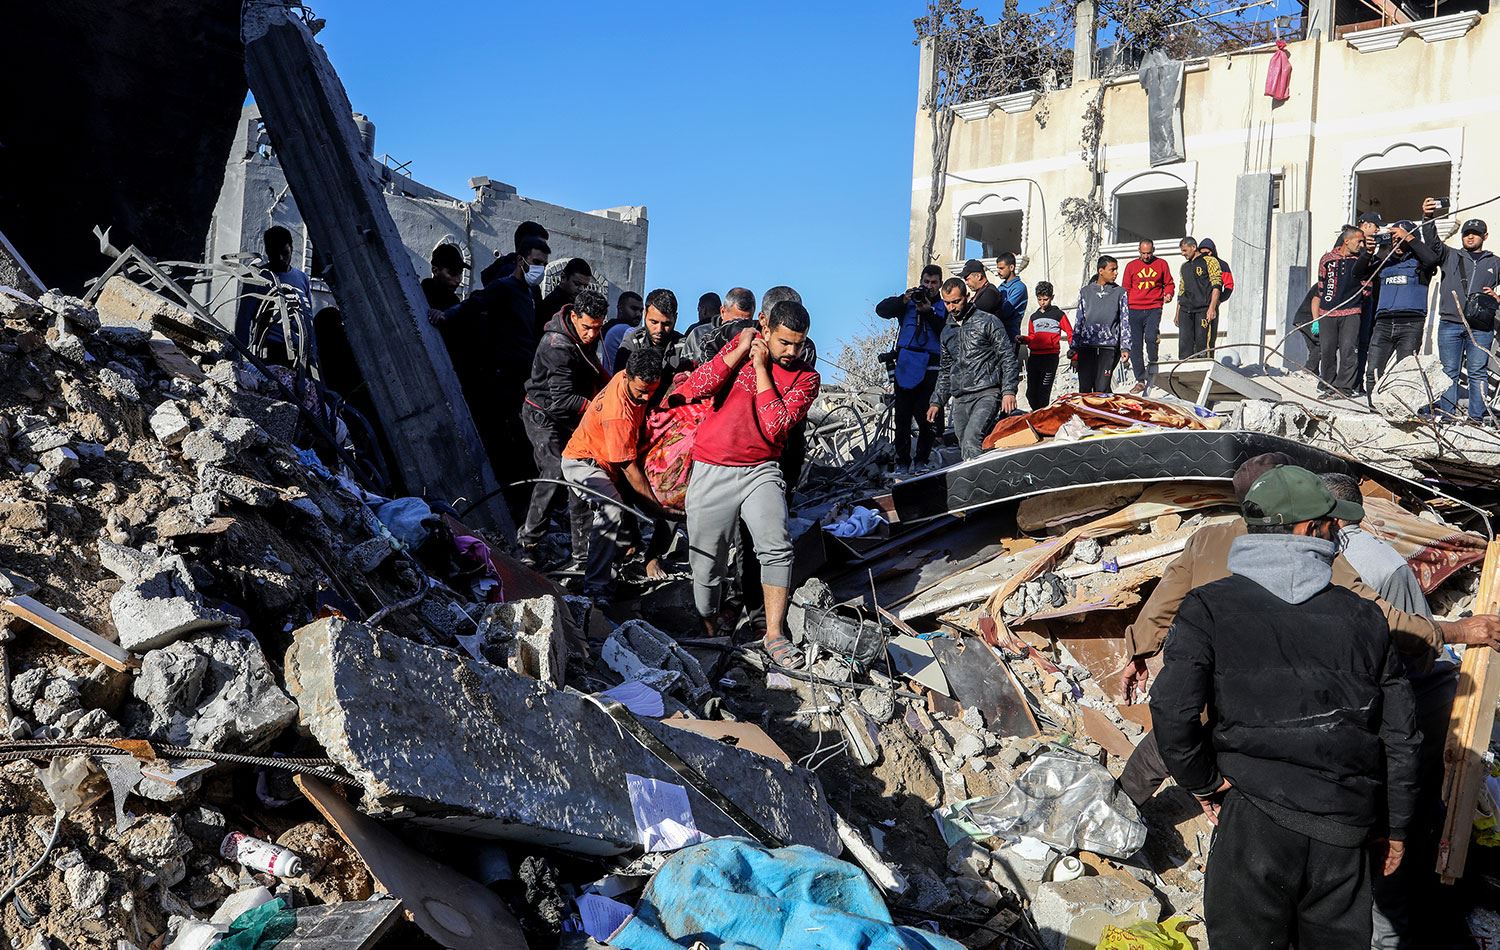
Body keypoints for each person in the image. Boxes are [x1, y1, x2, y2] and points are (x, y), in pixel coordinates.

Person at [1116, 453, 1500, 807]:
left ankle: (1117, 809)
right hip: (1271, 708)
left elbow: (1164, 601)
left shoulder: (1207, 539)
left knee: (1165, 744)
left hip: (1209, 684)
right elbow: (1383, 621)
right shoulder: (1313, 556)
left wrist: (1138, 651)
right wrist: (1459, 631)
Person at [1150, 465, 1419, 949]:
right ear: (1307, 529)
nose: (1338, 535)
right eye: (1332, 524)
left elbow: (1172, 710)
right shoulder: (1365, 616)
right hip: (1344, 827)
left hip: (1252, 820)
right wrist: (1395, 826)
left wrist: (1204, 782)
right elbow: (1400, 736)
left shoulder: (1208, 607)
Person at [1319, 474, 1466, 950]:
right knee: (1399, 827)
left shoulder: (1356, 564)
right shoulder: (1371, 559)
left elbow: (1406, 645)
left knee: (1389, 832)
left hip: (1393, 709)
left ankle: (1394, 930)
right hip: (1398, 706)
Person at [677, 303, 820, 668]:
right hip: (712, 467)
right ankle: (709, 626)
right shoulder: (739, 348)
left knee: (777, 547)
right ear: (765, 327)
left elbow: (775, 426)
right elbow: (697, 386)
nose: (792, 352)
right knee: (706, 561)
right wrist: (740, 350)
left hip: (761, 469)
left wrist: (760, 369)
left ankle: (773, 633)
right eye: (785, 342)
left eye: (799, 344)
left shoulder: (806, 378)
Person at [562, 346, 667, 599]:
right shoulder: (618, 414)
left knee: (625, 507)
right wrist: (657, 508)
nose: (645, 397)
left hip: (606, 461)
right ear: (628, 377)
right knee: (612, 508)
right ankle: (595, 588)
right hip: (583, 463)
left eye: (651, 391)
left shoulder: (627, 376)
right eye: (641, 391)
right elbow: (629, 470)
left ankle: (617, 564)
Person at [517, 289, 610, 568]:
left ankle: (582, 556)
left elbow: (593, 372)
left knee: (579, 476)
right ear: (574, 317)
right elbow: (563, 399)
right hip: (543, 414)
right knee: (555, 471)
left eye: (598, 328)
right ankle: (529, 542)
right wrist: (599, 409)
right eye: (587, 327)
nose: (592, 334)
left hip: (570, 417)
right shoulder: (556, 346)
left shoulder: (583, 336)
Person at [1408, 199, 1500, 421]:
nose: (1470, 237)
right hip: (1450, 323)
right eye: (1467, 233)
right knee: (1449, 371)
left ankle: (1476, 418)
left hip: (1481, 327)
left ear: (1485, 236)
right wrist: (1428, 217)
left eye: (1476, 234)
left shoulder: (1495, 262)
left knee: (1477, 372)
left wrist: (1498, 298)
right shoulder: (1450, 255)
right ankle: (1448, 416)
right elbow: (1432, 241)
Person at [927, 277, 1019, 459]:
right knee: (965, 445)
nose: (951, 307)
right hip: (960, 399)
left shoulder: (988, 321)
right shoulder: (947, 332)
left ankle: (978, 477)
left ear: (967, 297)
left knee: (971, 439)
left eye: (956, 301)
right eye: (947, 303)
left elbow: (1007, 356)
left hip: (987, 393)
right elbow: (945, 370)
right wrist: (936, 402)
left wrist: (1009, 391)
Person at [875, 265, 947, 472]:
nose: (929, 287)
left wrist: (929, 313)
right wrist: (903, 300)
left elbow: (945, 333)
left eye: (934, 283)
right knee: (902, 417)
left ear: (940, 284)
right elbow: (881, 310)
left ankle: (921, 459)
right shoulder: (908, 303)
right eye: (926, 282)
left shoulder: (943, 307)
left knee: (927, 417)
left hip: (931, 366)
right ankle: (903, 461)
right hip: (906, 364)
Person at [1364, 221, 1433, 393]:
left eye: (1401, 238)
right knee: (1373, 372)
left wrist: (1408, 237)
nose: (1398, 242)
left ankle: (1401, 406)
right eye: (1395, 238)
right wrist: (1368, 252)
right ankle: (1373, 406)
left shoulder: (1421, 264)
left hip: (1411, 324)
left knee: (1405, 374)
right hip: (1383, 324)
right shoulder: (1383, 262)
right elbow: (1358, 273)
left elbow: (1432, 259)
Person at [1312, 225, 1376, 395]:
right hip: (1327, 312)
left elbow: (1368, 285)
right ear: (1347, 241)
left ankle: (1344, 387)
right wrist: (1322, 309)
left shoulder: (1361, 260)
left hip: (1351, 311)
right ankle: (1328, 385)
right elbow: (1321, 284)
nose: (1361, 245)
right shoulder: (1327, 259)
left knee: (1349, 349)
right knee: (1327, 350)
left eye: (1363, 242)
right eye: (1359, 241)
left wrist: (1359, 297)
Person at [245, 225, 313, 365]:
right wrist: (240, 357)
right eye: (275, 254)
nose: (281, 258)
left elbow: (308, 318)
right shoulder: (257, 278)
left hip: (299, 352)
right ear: (267, 252)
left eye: (285, 253)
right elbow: (244, 320)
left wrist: (313, 353)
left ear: (292, 248)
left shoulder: (302, 278)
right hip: (269, 351)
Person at [1121, 240, 1174, 394]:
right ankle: (1140, 379)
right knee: (1135, 346)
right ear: (1139, 250)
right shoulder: (1131, 266)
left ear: (1153, 250)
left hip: (1153, 307)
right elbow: (1126, 288)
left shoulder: (1161, 264)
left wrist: (1168, 294)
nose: (1146, 256)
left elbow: (1169, 283)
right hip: (1134, 309)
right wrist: (1124, 309)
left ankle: (1153, 363)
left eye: (1149, 253)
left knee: (1151, 337)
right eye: (1143, 253)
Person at [1073, 256, 1131, 394]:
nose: (1116, 273)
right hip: (1087, 346)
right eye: (1112, 269)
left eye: (1116, 269)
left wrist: (1125, 347)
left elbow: (1125, 320)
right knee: (1085, 388)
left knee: (1102, 388)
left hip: (1108, 347)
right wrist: (1074, 346)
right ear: (1101, 271)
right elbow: (1079, 319)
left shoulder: (1120, 292)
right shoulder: (1086, 292)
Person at [1018, 281, 1070, 409]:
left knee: (1043, 392)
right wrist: (1024, 339)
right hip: (1034, 358)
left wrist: (1074, 354)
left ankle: (1042, 416)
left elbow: (1070, 332)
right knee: (1031, 393)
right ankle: (1037, 413)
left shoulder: (1058, 315)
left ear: (1052, 297)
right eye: (1039, 299)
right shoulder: (1034, 317)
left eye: (1045, 299)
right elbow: (1032, 337)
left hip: (1050, 358)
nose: (1042, 302)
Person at [679, 287, 758, 368]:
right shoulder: (698, 335)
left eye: (746, 322)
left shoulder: (756, 334)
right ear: (722, 312)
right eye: (735, 321)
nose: (739, 327)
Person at [615, 288, 684, 375]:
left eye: (666, 324)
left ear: (675, 318)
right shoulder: (633, 343)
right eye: (654, 322)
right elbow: (619, 380)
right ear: (645, 314)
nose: (659, 329)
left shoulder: (684, 347)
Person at [1174, 237, 1222, 360]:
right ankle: (1185, 368)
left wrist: (1212, 308)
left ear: (1193, 247)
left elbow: (1216, 285)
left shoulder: (1210, 261)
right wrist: (1177, 313)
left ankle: (1204, 367)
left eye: (1185, 250)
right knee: (1184, 344)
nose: (1183, 254)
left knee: (1202, 343)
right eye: (1181, 251)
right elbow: (1181, 290)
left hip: (1203, 309)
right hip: (1186, 309)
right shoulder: (1184, 267)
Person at [1355, 212, 1384, 392]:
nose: (1377, 230)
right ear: (1365, 225)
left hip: (1369, 301)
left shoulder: (1373, 247)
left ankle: (1358, 382)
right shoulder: (1352, 241)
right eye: (1376, 226)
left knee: (1364, 344)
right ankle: (1347, 382)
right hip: (1353, 301)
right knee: (1351, 344)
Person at [539, 257, 594, 324]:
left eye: (585, 286)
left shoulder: (578, 303)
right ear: (563, 277)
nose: (581, 289)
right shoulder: (551, 305)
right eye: (577, 284)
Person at [601, 291, 645, 375]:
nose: (639, 314)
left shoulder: (609, 327)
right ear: (620, 308)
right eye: (634, 309)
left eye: (641, 310)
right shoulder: (627, 331)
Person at [992, 252, 1029, 344]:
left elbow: (1005, 311)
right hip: (998, 335)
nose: (998, 271)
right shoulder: (1001, 287)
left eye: (1001, 268)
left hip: (1010, 337)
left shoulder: (1019, 287)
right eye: (998, 268)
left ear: (1011, 267)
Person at [421, 242, 466, 311]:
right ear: (435, 271)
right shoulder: (422, 293)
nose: (458, 280)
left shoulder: (454, 301)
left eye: (460, 273)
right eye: (452, 274)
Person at [961, 259, 1005, 325]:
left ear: (978, 276)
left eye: (967, 279)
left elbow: (972, 314)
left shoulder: (990, 293)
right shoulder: (981, 291)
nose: (966, 283)